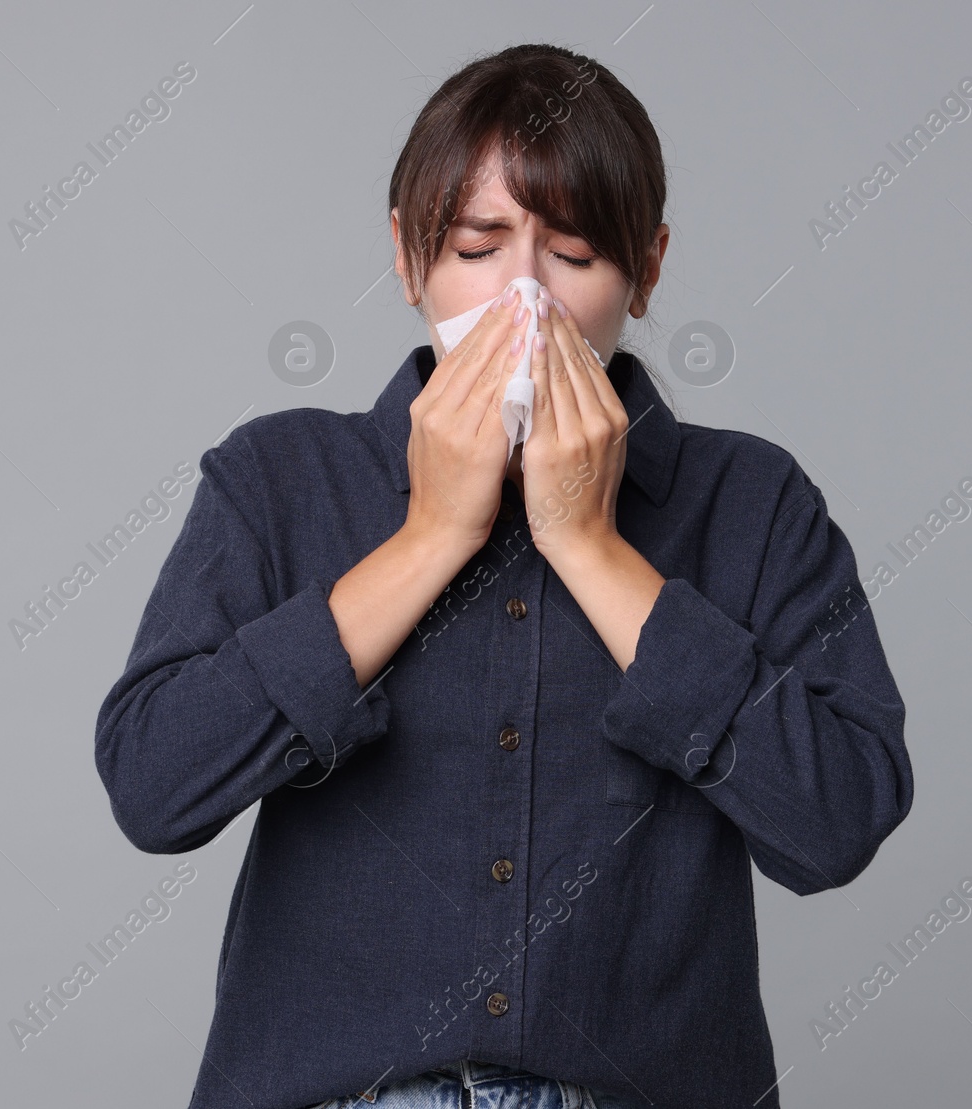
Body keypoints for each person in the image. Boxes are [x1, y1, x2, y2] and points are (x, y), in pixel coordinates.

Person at [94, 42, 913, 1109]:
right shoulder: (278, 477)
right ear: (406, 254)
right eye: (480, 246)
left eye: (572, 255)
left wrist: (590, 544)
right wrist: (430, 531)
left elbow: (838, 819)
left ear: (648, 267)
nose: (523, 298)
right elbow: (156, 786)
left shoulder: (751, 501)